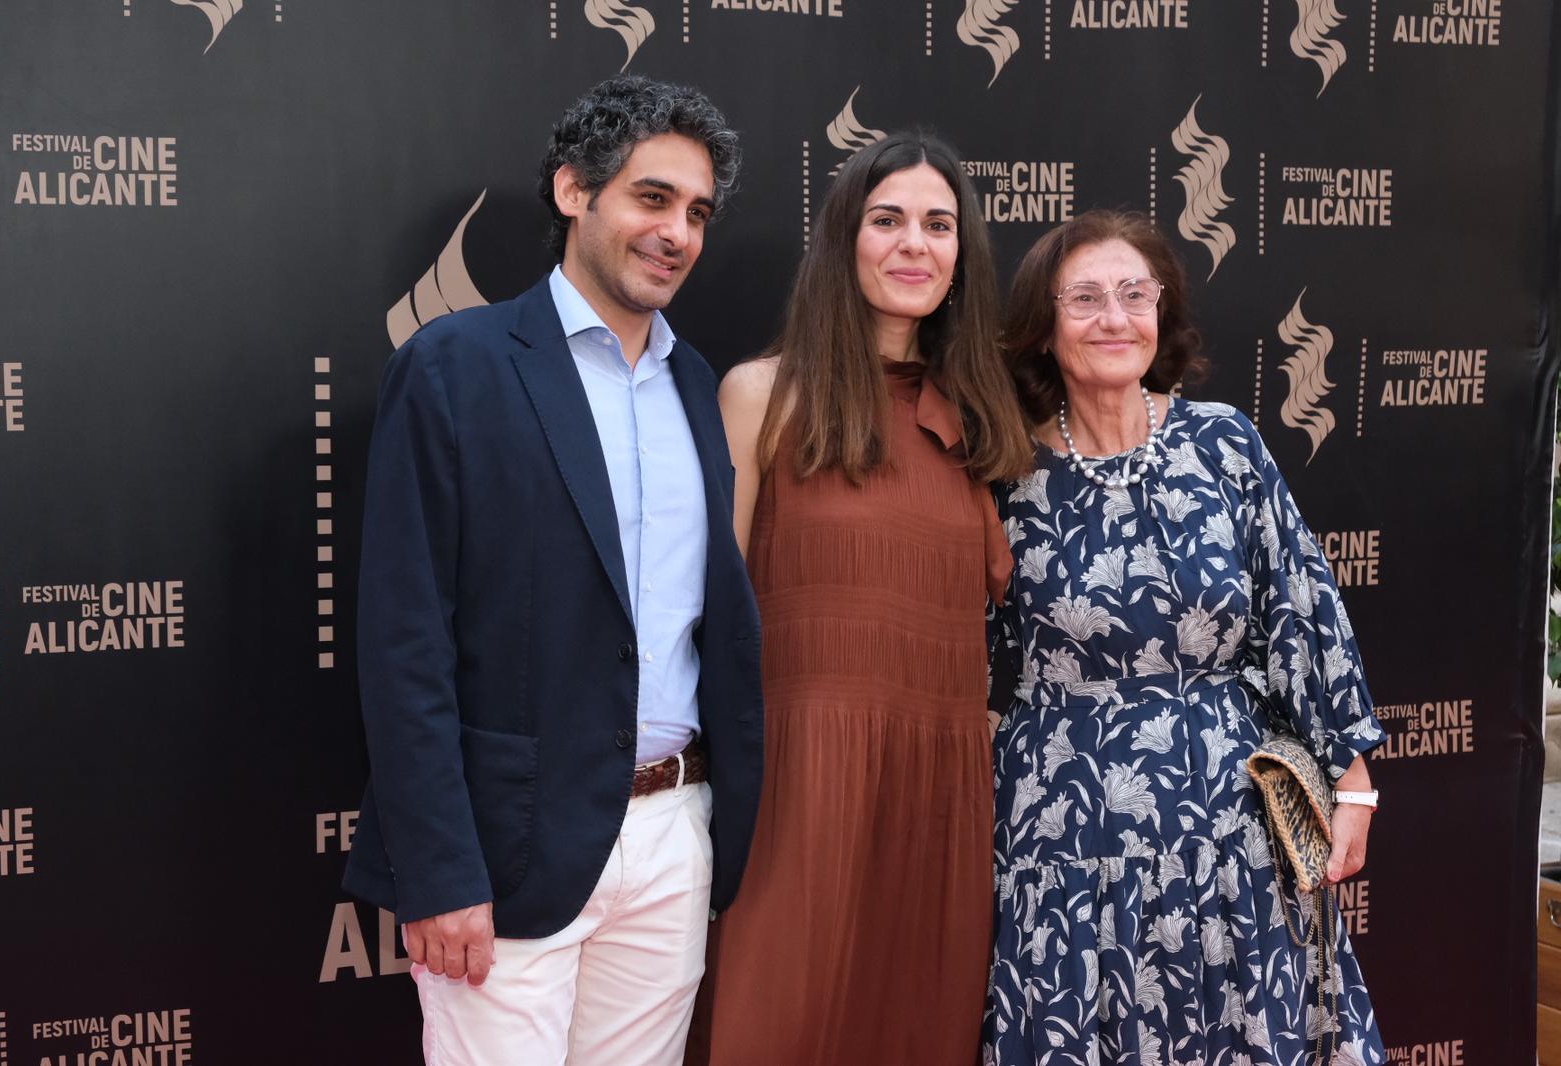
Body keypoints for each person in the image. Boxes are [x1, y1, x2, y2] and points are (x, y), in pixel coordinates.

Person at [342, 75, 764, 1066]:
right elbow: (405, 641)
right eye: (651, 198)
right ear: (575, 191)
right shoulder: (456, 365)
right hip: (508, 841)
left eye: (697, 212)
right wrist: (439, 869)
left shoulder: (697, 382)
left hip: (672, 837)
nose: (677, 233)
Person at [985, 209, 1384, 1065]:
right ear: (1043, 326)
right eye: (1085, 298)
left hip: (1229, 829)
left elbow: (1300, 605)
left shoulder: (1222, 442)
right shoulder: (1004, 470)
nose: (1114, 318)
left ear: (1161, 312)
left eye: (1135, 294)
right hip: (1064, 831)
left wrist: (1352, 785)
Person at [691, 130, 1033, 1066]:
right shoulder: (763, 397)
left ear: (962, 255)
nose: (913, 244)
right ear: (844, 238)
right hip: (798, 793)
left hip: (942, 804)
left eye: (937, 224)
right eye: (886, 220)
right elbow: (711, 622)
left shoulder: (984, 416)